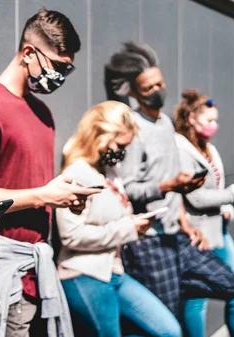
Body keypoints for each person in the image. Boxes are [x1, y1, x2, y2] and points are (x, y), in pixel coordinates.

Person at [0, 8, 99, 337]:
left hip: (38, 273)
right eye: (58, 66)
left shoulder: (42, 112)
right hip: (1, 275)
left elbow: (31, 187)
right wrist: (43, 195)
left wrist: (64, 198)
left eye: (68, 69)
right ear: (29, 52)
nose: (61, 75)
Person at [104, 42, 234, 318]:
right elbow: (127, 189)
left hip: (177, 235)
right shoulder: (132, 129)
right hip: (149, 242)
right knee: (165, 324)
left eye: (160, 84)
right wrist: (169, 186)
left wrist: (185, 223)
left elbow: (172, 185)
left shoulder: (166, 123)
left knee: (230, 285)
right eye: (148, 88)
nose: (158, 91)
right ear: (133, 92)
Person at [57, 100, 182, 337]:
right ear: (99, 135)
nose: (122, 152)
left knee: (169, 330)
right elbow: (71, 235)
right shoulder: (76, 174)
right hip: (84, 275)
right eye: (119, 144)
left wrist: (136, 222)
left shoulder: (110, 172)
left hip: (115, 272)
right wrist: (129, 228)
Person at [174, 89, 234, 337]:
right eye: (209, 120)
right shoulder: (181, 149)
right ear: (191, 118)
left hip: (219, 230)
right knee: (196, 299)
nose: (215, 126)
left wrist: (224, 205)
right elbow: (196, 196)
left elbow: (213, 187)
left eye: (215, 120)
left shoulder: (206, 147)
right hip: (197, 235)